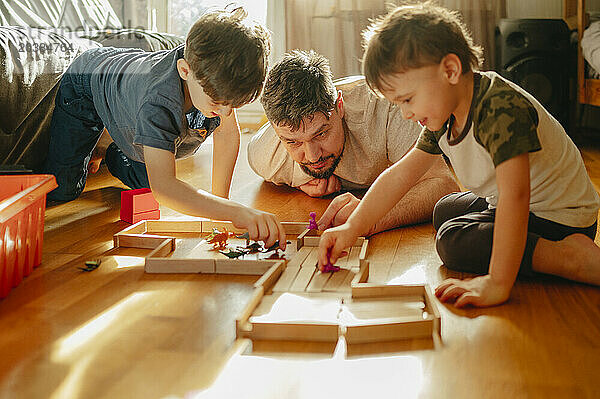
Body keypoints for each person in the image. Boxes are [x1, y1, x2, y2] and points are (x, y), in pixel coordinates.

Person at [318, 2, 600, 307]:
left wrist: (497, 282)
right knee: (444, 210)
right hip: (525, 202)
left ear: (450, 70)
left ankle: (567, 256)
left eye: (408, 99)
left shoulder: (499, 109)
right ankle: (542, 248)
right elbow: (401, 175)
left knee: (454, 239)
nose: (406, 113)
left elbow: (515, 197)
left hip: (560, 217)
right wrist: (353, 227)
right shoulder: (445, 114)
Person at [43, 7, 285, 249]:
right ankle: (103, 136)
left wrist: (221, 207)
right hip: (85, 86)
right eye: (218, 104)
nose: (224, 113)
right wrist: (235, 212)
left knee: (147, 180)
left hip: (127, 93)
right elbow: (165, 190)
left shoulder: (213, 80)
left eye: (232, 105)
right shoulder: (158, 101)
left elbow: (227, 134)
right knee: (63, 189)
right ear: (184, 71)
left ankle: (106, 147)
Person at [248, 50, 458, 235]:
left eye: (321, 134)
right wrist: (299, 182)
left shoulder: (385, 108)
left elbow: (444, 185)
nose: (312, 156)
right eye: (294, 143)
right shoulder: (263, 155)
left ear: (340, 106)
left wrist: (369, 218)